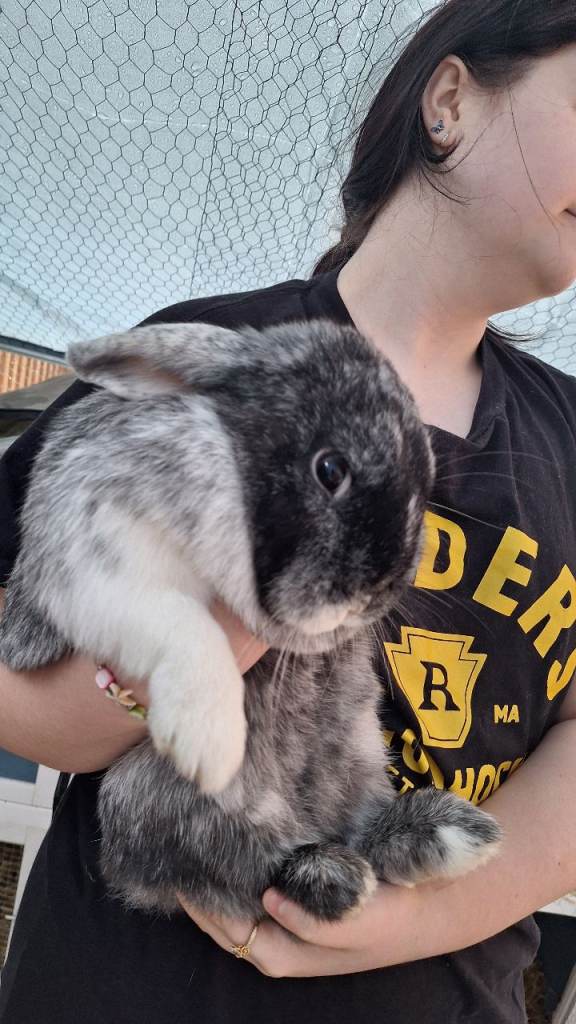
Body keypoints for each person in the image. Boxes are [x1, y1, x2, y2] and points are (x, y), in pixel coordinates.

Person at [1, 0, 576, 1020]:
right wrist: (190, 647)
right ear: (452, 100)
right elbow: (21, 657)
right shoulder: (216, 357)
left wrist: (417, 920)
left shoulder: (567, 437)